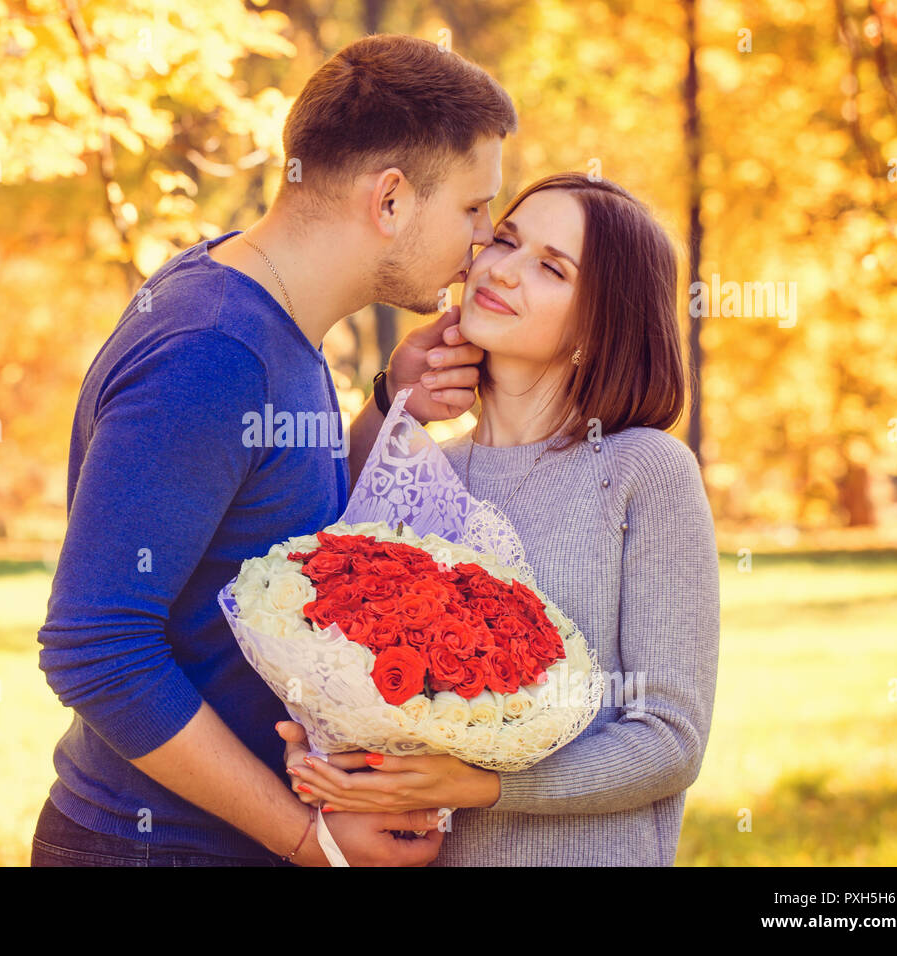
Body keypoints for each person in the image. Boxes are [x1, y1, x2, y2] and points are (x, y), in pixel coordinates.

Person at [30, 34, 519, 867]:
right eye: (474, 209)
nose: (482, 243)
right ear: (391, 201)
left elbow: (282, 531)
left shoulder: (273, 316)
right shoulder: (217, 350)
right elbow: (95, 647)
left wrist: (384, 408)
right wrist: (305, 838)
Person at [282, 172, 721, 866]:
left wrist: (484, 786)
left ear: (601, 323)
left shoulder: (644, 470)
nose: (504, 270)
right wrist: (332, 745)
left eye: (551, 268)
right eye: (506, 240)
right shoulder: (425, 470)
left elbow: (669, 739)